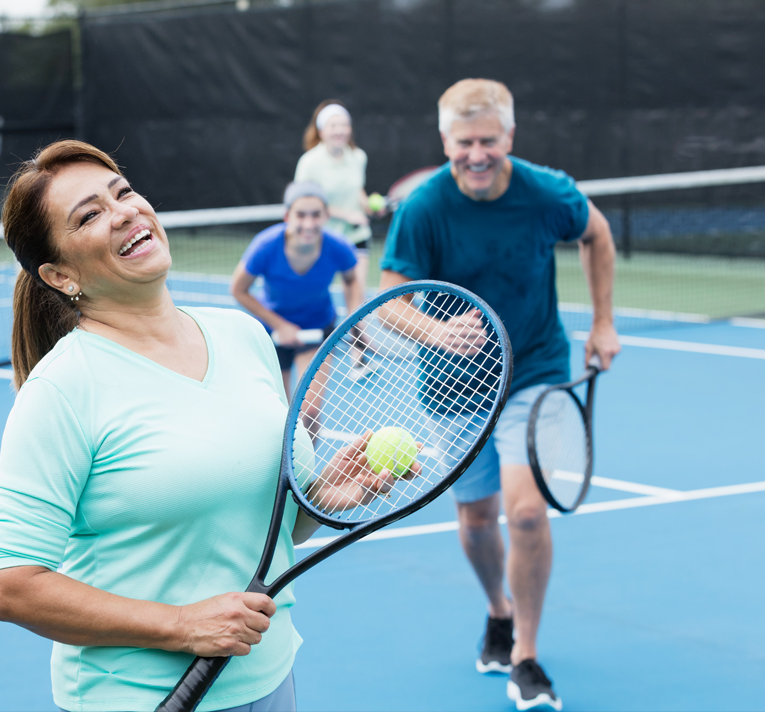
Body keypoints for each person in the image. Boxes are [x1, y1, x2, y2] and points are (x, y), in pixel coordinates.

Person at [0, 139, 397, 712]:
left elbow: (263, 526)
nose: (124, 211)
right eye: (90, 215)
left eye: (122, 192)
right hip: (136, 698)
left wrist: (323, 496)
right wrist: (180, 625)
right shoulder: (61, 390)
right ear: (59, 273)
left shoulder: (244, 336)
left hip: (269, 679)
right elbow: (11, 587)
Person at [378, 79, 621, 711]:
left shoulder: (547, 193)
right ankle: (498, 611)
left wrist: (602, 321)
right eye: (465, 143)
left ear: (509, 137)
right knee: (477, 518)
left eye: (489, 140)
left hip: (535, 370)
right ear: (445, 141)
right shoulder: (425, 207)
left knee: (527, 513)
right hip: (453, 386)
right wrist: (434, 329)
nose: (477, 154)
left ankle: (527, 655)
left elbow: (597, 233)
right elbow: (389, 296)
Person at [230, 182, 364, 405]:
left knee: (309, 412)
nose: (309, 224)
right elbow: (238, 290)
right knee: (281, 413)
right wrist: (280, 325)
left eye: (316, 215)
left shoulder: (339, 247)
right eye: (300, 215)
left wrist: (356, 323)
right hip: (272, 334)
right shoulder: (265, 246)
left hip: (318, 328)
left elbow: (351, 281)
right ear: (287, 216)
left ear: (327, 216)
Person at [294, 100, 383, 297]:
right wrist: (346, 214)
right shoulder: (309, 163)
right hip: (321, 237)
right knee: (311, 294)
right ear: (321, 131)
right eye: (333, 125)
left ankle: (360, 330)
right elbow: (302, 204)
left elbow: (357, 190)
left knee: (357, 296)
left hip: (356, 236)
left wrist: (368, 206)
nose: (339, 130)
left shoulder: (358, 157)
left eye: (344, 125)